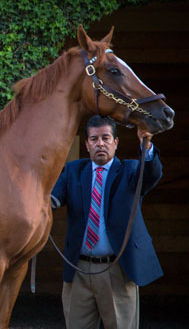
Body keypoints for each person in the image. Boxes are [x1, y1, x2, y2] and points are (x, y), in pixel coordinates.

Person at [51, 115, 163, 329]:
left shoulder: (130, 170)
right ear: (86, 144)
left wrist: (145, 145)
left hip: (117, 269)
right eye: (94, 139)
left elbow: (151, 174)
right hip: (79, 269)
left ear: (116, 142)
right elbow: (51, 200)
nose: (100, 143)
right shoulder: (74, 171)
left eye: (105, 138)